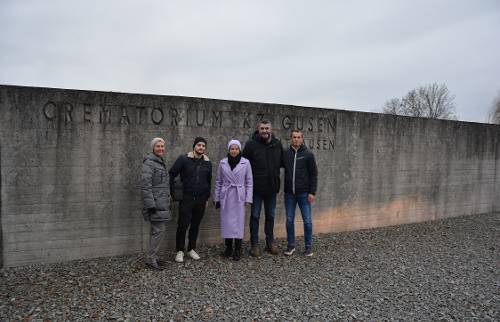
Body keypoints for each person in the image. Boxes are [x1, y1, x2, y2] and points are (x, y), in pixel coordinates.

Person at [242, 120, 283, 257]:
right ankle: (254, 245)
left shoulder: (277, 144)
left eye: (267, 128)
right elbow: (244, 165)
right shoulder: (251, 145)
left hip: (272, 188)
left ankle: (270, 242)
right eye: (262, 128)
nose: (264, 131)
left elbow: (282, 162)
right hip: (256, 189)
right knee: (255, 216)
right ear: (258, 129)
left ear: (271, 130)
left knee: (270, 216)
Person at [169, 137, 212, 263]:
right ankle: (179, 251)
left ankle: (191, 249)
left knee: (195, 225)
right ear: (194, 146)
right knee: (183, 225)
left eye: (203, 146)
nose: (201, 148)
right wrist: (172, 192)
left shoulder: (207, 163)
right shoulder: (184, 159)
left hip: (201, 199)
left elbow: (208, 181)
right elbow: (171, 174)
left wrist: (207, 197)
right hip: (186, 198)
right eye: (199, 145)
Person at [214, 139, 253, 261]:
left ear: (239, 149)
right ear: (229, 150)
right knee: (227, 223)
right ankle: (228, 248)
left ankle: (238, 249)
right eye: (232, 148)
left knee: (238, 223)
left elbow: (249, 181)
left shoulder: (246, 163)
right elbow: (218, 181)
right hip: (226, 196)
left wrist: (248, 198)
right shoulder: (223, 163)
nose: (234, 151)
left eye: (236, 148)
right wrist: (217, 198)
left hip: (239, 196)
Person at [282, 130, 318, 257]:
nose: (296, 139)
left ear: (302, 139)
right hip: (289, 194)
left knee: (307, 220)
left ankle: (308, 247)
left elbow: (313, 173)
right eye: (294, 137)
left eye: (298, 137)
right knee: (289, 220)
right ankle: (291, 246)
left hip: (304, 193)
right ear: (291, 138)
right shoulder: (286, 154)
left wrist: (312, 192)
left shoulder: (308, 154)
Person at [140, 137, 172, 270]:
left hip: (162, 203)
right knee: (159, 231)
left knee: (156, 231)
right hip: (155, 205)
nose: (160, 148)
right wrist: (150, 205)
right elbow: (145, 186)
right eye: (158, 146)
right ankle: (151, 259)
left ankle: (153, 256)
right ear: (153, 148)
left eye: (162, 146)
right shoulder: (149, 163)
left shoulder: (159, 162)